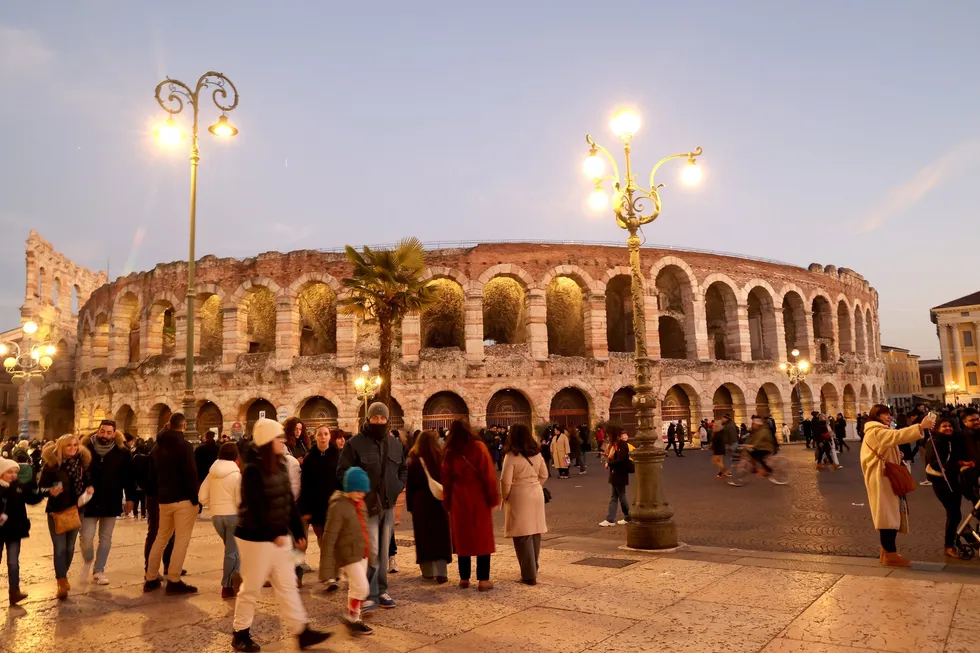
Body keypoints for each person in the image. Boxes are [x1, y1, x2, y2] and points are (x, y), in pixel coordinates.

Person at [231, 418, 331, 652]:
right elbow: (255, 507)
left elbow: (286, 500)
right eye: (277, 438)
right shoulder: (253, 470)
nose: (282, 442)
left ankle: (302, 632)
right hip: (255, 537)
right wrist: (273, 532)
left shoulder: (281, 465)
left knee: (287, 585)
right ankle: (240, 633)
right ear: (267, 441)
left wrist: (296, 530)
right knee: (252, 586)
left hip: (278, 536)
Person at [336, 402, 406, 610]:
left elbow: (403, 468)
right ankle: (368, 593)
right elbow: (342, 472)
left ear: (387, 419)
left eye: (382, 418)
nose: (379, 421)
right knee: (371, 549)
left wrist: (398, 486)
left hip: (388, 504)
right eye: (375, 418)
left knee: (384, 550)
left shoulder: (395, 444)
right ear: (368, 419)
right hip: (366, 505)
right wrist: (357, 493)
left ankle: (381, 590)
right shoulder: (355, 444)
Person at [860, 404, 936, 567]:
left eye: (889, 414)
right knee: (887, 515)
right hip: (883, 478)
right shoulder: (876, 430)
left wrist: (896, 453)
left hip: (884, 477)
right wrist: (921, 426)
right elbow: (898, 436)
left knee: (889, 513)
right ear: (876, 415)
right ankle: (890, 553)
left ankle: (886, 552)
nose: (889, 417)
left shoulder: (876, 431)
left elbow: (887, 445)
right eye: (884, 414)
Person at [144, 413, 199, 595]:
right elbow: (191, 474)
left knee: (161, 538)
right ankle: (174, 580)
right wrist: (195, 499)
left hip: (164, 499)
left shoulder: (158, 446)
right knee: (181, 540)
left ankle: (151, 578)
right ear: (184, 426)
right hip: (183, 499)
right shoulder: (185, 446)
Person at [441, 419, 499, 591]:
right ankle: (483, 580)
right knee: (482, 537)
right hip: (478, 497)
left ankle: (464, 578)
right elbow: (488, 475)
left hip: (459, 498)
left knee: (462, 538)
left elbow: (445, 479)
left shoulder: (450, 451)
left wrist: (448, 501)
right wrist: (493, 498)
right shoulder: (479, 448)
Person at [319, 467, 374, 637]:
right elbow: (329, 538)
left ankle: (355, 620)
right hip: (347, 554)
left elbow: (364, 529)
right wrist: (328, 570)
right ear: (348, 488)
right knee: (362, 588)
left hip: (360, 551)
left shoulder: (360, 504)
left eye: (363, 491)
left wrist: (369, 550)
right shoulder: (338, 506)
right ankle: (351, 617)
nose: (361, 494)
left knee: (355, 588)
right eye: (357, 490)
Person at [79, 419, 135, 586]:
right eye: (102, 431)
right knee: (86, 536)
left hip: (111, 498)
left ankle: (99, 570)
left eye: (109, 432)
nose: (105, 435)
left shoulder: (122, 452)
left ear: (114, 433)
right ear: (97, 430)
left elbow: (128, 476)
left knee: (106, 537)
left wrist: (130, 498)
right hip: (90, 500)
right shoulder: (85, 449)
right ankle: (88, 559)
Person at [38, 434, 92, 600]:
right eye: (69, 446)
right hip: (57, 511)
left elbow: (88, 482)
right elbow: (40, 489)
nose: (73, 448)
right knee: (59, 547)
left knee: (69, 548)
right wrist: (50, 491)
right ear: (61, 447)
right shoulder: (52, 466)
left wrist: (90, 489)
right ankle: (61, 581)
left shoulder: (81, 464)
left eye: (75, 445)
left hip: (76, 510)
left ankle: (64, 575)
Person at [500, 424, 548, 585]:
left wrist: (505, 496)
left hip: (519, 493)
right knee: (535, 531)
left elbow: (505, 481)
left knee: (522, 533)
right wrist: (535, 485)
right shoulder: (537, 453)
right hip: (536, 492)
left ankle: (528, 574)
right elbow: (544, 474)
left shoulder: (511, 456)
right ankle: (534, 566)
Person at [405, 429, 452, 583]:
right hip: (438, 501)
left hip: (421, 503)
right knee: (440, 536)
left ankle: (427, 571)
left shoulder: (414, 460)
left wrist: (411, 506)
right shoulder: (441, 458)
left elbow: (410, 485)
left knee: (424, 536)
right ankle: (441, 572)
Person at [921, 416, 970, 558]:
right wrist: (959, 466)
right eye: (944, 426)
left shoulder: (955, 440)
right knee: (954, 513)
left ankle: (953, 541)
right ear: (938, 428)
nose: (948, 428)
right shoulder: (934, 441)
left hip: (955, 481)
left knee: (956, 513)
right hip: (942, 482)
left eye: (950, 426)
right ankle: (948, 546)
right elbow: (936, 463)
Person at [200, 441, 242, 599]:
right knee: (232, 552)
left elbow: (202, 497)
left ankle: (236, 580)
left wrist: (214, 504)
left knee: (232, 550)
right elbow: (240, 500)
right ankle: (228, 586)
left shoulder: (211, 474)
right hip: (233, 516)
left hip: (216, 516)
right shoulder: (236, 475)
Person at [0, 457, 42, 605]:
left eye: (15, 472)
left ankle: (14, 592)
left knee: (13, 562)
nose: (13, 475)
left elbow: (33, 499)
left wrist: (33, 486)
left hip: (14, 530)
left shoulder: (19, 486)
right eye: (9, 472)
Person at [300, 426, 344, 542]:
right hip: (317, 508)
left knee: (335, 542)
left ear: (329, 436)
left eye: (325, 434)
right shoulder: (309, 458)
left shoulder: (338, 456)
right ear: (315, 437)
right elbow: (305, 484)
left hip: (334, 506)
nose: (323, 437)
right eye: (320, 434)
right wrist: (306, 509)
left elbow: (341, 480)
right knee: (322, 541)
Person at [599, 426, 631, 526]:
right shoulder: (616, 445)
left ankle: (624, 517)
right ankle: (614, 518)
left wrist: (610, 463)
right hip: (616, 473)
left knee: (620, 496)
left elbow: (622, 459)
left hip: (620, 473)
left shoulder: (622, 445)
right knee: (616, 496)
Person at [745, 416, 779, 482]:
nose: (753, 425)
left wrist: (752, 445)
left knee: (759, 457)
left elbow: (758, 439)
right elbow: (752, 439)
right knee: (752, 453)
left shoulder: (764, 430)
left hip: (768, 447)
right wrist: (746, 444)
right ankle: (755, 468)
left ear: (758, 424)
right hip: (761, 447)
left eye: (754, 424)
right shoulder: (757, 431)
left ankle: (768, 470)